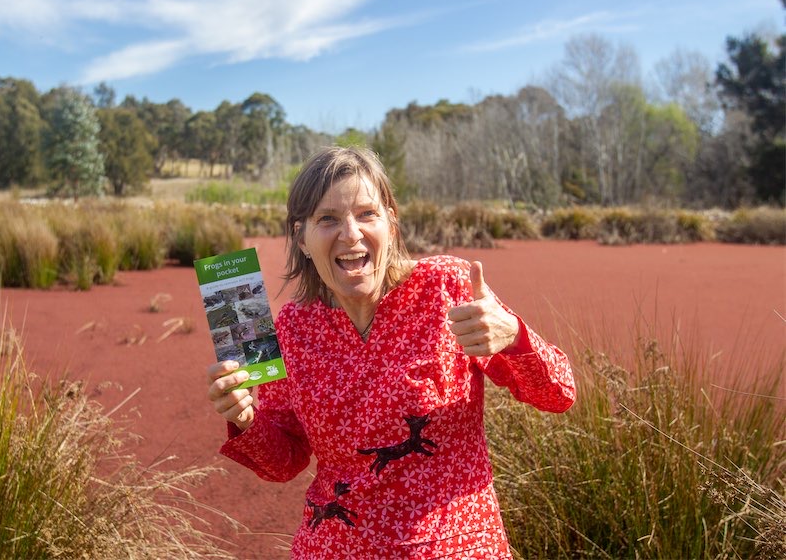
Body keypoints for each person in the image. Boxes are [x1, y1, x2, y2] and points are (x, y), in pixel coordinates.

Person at [207, 146, 576, 559]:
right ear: (301, 238)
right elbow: (285, 461)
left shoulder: (447, 288)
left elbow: (559, 394)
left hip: (455, 547)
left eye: (367, 213)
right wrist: (245, 419)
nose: (350, 234)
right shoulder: (292, 327)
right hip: (334, 548)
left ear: (391, 223)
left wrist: (514, 337)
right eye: (327, 218)